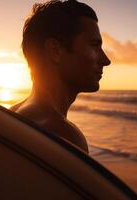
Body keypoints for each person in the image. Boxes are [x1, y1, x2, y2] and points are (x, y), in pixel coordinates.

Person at [10, 0, 110, 153]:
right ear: (56, 51)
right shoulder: (62, 134)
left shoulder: (13, 113)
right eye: (94, 45)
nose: (106, 60)